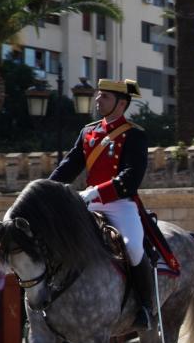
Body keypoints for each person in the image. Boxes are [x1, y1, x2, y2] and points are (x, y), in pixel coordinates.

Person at [49, 78, 154, 330]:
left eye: (104, 97)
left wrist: (95, 193)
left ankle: (145, 307)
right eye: (98, 95)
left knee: (134, 249)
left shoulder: (134, 134)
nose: (98, 100)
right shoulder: (88, 132)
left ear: (121, 103)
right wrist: (45, 189)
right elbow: (69, 166)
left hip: (119, 204)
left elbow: (130, 178)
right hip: (88, 203)